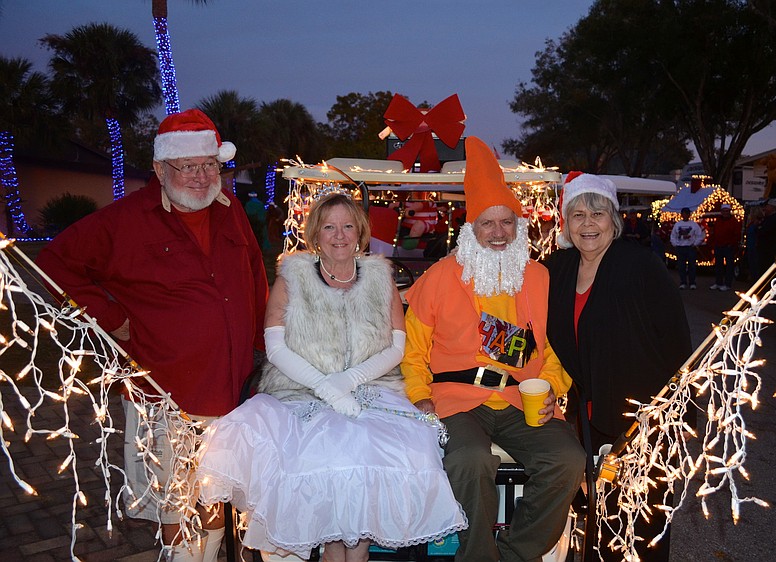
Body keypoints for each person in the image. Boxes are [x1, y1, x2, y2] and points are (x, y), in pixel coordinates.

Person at [36, 108, 268, 561]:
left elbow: (255, 275)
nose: (201, 177)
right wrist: (107, 315)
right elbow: (51, 266)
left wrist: (265, 343)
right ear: (160, 169)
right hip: (163, 397)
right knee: (175, 507)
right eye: (188, 166)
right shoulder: (122, 221)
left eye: (209, 165)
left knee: (215, 501)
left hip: (233, 393)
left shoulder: (230, 209)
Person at [196, 190, 466, 562]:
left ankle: (357, 555)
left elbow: (395, 347)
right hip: (301, 392)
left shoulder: (379, 277)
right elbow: (275, 347)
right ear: (315, 234)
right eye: (329, 227)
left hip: (370, 390)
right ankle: (330, 553)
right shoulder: (293, 275)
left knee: (385, 450)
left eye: (348, 227)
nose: (339, 235)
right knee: (319, 454)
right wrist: (325, 386)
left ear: (360, 233)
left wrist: (347, 382)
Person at [400, 137, 585, 562]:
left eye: (507, 223)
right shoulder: (440, 277)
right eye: (488, 223)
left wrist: (553, 386)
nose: (498, 233)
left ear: (518, 228)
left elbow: (557, 349)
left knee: (568, 460)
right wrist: (420, 396)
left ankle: (515, 555)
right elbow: (413, 350)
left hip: (522, 398)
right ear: (471, 228)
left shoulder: (539, 277)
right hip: (457, 400)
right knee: (469, 459)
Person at [546, 173, 692, 561]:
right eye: (577, 214)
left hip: (643, 416)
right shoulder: (558, 268)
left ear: (614, 219)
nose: (588, 223)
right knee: (594, 515)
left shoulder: (640, 266)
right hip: (587, 418)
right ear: (565, 223)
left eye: (598, 213)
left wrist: (677, 411)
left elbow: (678, 343)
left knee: (639, 521)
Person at [670, 207, 704, 289]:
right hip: (680, 248)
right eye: (683, 213)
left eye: (686, 214)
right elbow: (673, 236)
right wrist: (675, 244)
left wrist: (695, 244)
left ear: (689, 215)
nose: (685, 215)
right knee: (681, 266)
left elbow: (700, 236)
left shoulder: (694, 225)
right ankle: (683, 282)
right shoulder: (677, 225)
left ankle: (692, 282)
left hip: (690, 248)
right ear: (681, 214)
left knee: (692, 266)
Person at [710, 203, 742, 291]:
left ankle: (728, 284)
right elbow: (714, 232)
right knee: (718, 265)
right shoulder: (718, 220)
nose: (725, 213)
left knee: (729, 266)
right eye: (724, 211)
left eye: (727, 211)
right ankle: (718, 282)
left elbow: (737, 235)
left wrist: (731, 244)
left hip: (728, 247)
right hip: (718, 246)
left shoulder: (734, 221)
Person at [757, 201, 776, 274]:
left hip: (768, 247)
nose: (765, 208)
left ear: (772, 207)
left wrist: (760, 228)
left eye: (767, 206)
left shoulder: (774, 218)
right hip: (763, 247)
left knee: (766, 266)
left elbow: (765, 230)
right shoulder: (767, 218)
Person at [744, 205, 764, 280]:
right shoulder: (752, 224)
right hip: (751, 247)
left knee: (755, 267)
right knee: (752, 266)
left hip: (754, 248)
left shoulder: (757, 225)